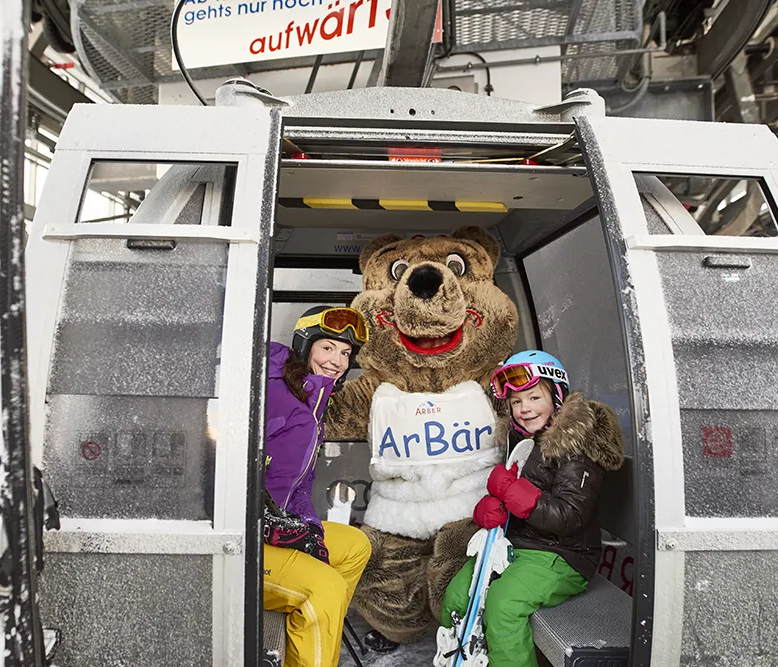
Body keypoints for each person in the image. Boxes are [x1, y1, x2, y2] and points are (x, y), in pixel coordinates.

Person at [439, 350, 625, 667]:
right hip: (520, 546)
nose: (524, 409)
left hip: (564, 555)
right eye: (516, 402)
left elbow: (570, 517)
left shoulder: (576, 445)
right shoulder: (525, 440)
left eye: (533, 397)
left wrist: (513, 493)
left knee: (503, 606)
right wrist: (491, 510)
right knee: (457, 594)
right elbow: (512, 502)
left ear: (556, 397)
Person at [262, 306, 372, 667]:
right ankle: (315, 608)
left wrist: (304, 528)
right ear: (305, 345)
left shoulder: (312, 401)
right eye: (328, 348)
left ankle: (314, 638)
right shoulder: (267, 389)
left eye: (345, 354)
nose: (338, 361)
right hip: (248, 540)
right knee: (324, 587)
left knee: (355, 546)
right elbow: (224, 463)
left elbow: (300, 485)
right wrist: (266, 522)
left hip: (277, 529)